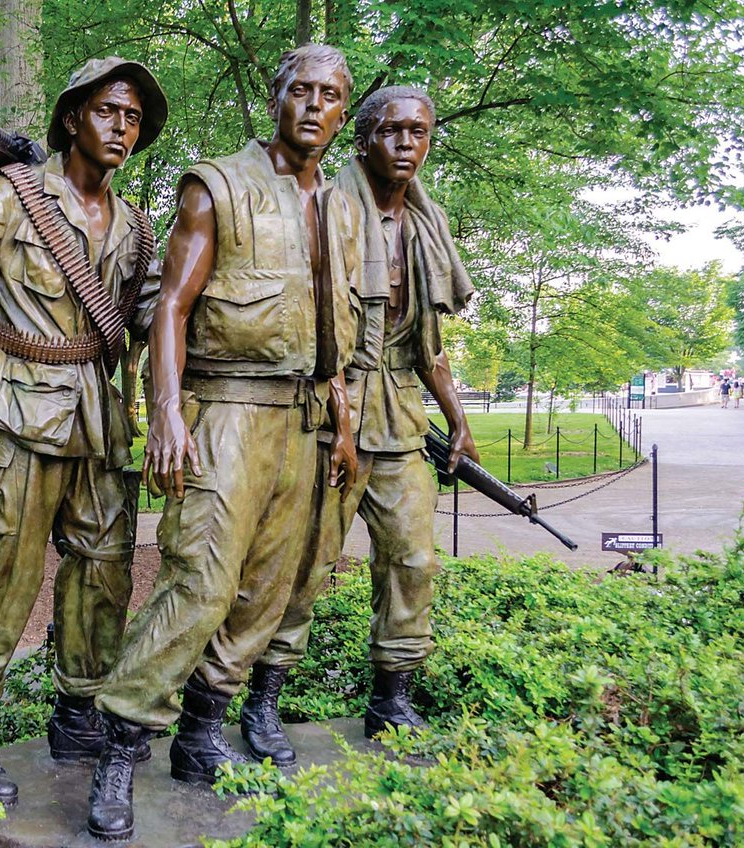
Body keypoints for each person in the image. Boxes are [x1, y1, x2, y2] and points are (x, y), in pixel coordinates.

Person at [83, 44, 361, 842]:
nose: (314, 106)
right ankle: (122, 749)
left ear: (342, 112)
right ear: (276, 97)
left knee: (269, 590)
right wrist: (167, 411)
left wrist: (342, 424)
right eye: (300, 90)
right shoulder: (218, 185)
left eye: (330, 96)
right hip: (229, 407)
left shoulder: (340, 207)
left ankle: (203, 736)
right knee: (200, 583)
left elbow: (338, 334)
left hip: (305, 421)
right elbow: (170, 305)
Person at [0, 57, 168, 806]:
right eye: (109, 110)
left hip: (99, 425)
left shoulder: (138, 228)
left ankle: (77, 714)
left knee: (103, 576)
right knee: (2, 576)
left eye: (134, 118)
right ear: (73, 116)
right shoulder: (14, 198)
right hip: (18, 415)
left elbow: (160, 322)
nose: (121, 126)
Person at [244, 85, 480, 759]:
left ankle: (391, 699)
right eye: (394, 131)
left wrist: (456, 419)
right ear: (365, 138)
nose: (408, 145)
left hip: (401, 417)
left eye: (420, 133)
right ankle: (263, 701)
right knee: (305, 566)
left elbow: (424, 346)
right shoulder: (328, 209)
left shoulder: (425, 226)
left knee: (413, 558)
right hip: (330, 414)